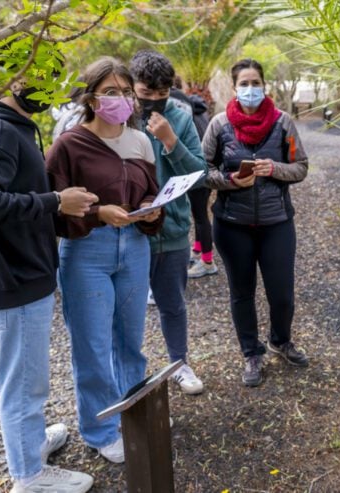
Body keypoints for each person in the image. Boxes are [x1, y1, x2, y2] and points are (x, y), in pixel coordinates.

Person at [0, 80, 98, 491]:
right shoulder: (0, 130)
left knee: (28, 372)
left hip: (17, 268)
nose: (48, 85)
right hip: (13, 273)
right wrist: (55, 202)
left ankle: (32, 443)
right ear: (5, 80)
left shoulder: (9, 123)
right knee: (23, 380)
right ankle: (29, 475)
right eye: (37, 74)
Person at [45, 57, 163, 464]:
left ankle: (135, 415)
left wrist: (150, 208)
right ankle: (100, 430)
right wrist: (99, 214)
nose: (121, 99)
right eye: (111, 92)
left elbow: (151, 190)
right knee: (92, 346)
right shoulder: (69, 145)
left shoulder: (141, 141)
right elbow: (55, 208)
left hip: (134, 247)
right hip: (86, 251)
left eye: (126, 91)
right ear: (92, 98)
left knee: (130, 342)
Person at [202, 58, 310, 387]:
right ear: (234, 89)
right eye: (244, 84)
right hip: (232, 225)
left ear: (264, 86)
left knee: (282, 293)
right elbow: (203, 171)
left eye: (255, 83)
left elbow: (301, 166)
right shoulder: (219, 125)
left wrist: (275, 169)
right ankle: (251, 352)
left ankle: (281, 339)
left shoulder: (283, 124)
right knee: (242, 292)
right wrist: (232, 180)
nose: (251, 89)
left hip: (277, 222)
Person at [129, 49, 208, 394]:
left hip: (172, 227)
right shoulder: (121, 118)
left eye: (161, 96)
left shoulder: (179, 116)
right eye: (146, 95)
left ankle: (179, 363)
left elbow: (199, 173)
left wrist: (170, 140)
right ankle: (131, 377)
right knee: (127, 309)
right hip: (130, 230)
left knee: (172, 303)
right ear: (133, 88)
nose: (154, 103)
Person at [168, 76, 218, 279]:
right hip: (203, 167)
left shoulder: (178, 109)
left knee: (200, 217)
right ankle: (198, 250)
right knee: (200, 215)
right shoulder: (198, 110)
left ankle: (207, 261)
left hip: (195, 169)